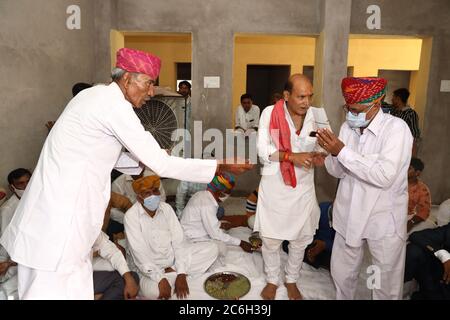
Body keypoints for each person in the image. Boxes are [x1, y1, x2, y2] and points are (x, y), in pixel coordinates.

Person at [0, 48, 250, 300]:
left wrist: (144, 160)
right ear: (127, 79)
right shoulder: (114, 106)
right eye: (149, 83)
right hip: (59, 227)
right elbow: (162, 165)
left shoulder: (91, 97)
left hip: (51, 223)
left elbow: (104, 152)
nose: (152, 92)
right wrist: (219, 166)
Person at [317, 77, 413, 300]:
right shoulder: (347, 127)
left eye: (357, 110)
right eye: (348, 109)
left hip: (382, 218)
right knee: (342, 273)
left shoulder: (396, 130)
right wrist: (330, 153)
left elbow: (383, 175)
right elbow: (338, 171)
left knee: (380, 278)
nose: (351, 114)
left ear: (377, 104)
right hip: (349, 212)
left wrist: (341, 151)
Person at [255, 74, 324, 300]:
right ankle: (272, 280)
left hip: (303, 187)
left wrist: (322, 156)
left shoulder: (317, 116)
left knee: (300, 239)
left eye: (310, 96)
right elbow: (263, 151)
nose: (306, 101)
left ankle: (291, 279)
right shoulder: (270, 113)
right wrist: (290, 156)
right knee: (271, 240)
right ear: (287, 96)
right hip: (275, 185)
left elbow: (326, 146)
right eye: (301, 96)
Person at [124, 176, 218, 299]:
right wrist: (160, 279)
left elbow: (179, 242)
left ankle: (173, 274)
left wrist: (181, 273)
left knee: (212, 248)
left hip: (172, 262)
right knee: (155, 293)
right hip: (148, 271)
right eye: (147, 193)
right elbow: (140, 256)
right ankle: (171, 278)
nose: (153, 195)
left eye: (155, 191)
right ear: (139, 198)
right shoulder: (131, 216)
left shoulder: (166, 208)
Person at [180, 173, 253, 254]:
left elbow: (205, 220)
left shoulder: (201, 194)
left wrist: (219, 224)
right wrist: (241, 243)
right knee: (221, 248)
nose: (228, 195)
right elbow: (215, 234)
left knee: (223, 230)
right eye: (228, 192)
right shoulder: (208, 204)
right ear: (220, 192)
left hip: (194, 230)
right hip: (192, 238)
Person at [404, 200, 450, 300]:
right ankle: (393, 288)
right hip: (435, 284)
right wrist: (445, 256)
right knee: (414, 250)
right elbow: (416, 236)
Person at [91, 231, 139, 300]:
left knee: (131, 278)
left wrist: (128, 277)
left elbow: (108, 248)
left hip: (86, 272)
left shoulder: (86, 225)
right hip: (74, 282)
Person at [0, 168, 32, 235]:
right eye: (21, 183)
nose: (27, 186)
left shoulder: (38, 197)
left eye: (29, 181)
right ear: (12, 188)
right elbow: (5, 239)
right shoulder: (7, 210)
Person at [390, 88, 421, 155]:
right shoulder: (393, 111)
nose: (391, 99)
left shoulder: (411, 114)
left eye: (393, 97)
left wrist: (412, 155)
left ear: (398, 99)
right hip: (391, 146)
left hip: (402, 149)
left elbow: (415, 134)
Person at [407, 158, 431, 233]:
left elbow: (424, 211)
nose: (405, 170)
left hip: (406, 216)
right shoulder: (395, 181)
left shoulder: (422, 189)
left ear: (417, 173)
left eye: (409, 168)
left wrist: (411, 222)